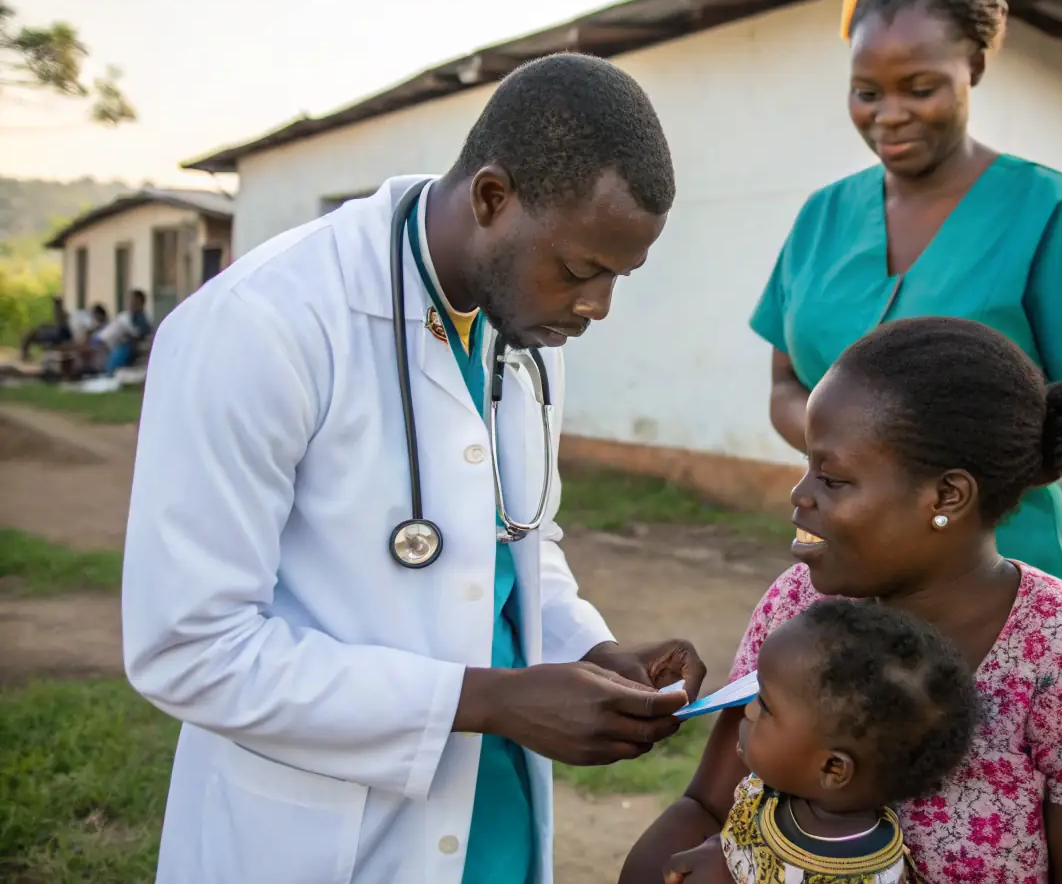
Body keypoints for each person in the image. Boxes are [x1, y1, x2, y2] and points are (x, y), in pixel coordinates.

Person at [122, 53, 707, 884]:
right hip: (320, 839)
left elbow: (517, 539)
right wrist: (490, 700)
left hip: (487, 818)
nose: (597, 306)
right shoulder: (261, 326)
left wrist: (589, 647)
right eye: (581, 270)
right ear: (492, 198)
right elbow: (189, 648)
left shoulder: (524, 331)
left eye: (618, 276)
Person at [621, 317, 1062, 884]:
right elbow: (707, 807)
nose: (800, 495)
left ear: (947, 495)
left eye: (833, 479)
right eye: (807, 467)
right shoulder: (799, 605)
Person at [751, 0, 1062, 590]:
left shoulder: (1045, 209)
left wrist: (948, 478)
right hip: (837, 557)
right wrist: (856, 468)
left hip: (996, 576)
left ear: (973, 66)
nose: (889, 116)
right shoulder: (821, 217)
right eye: (867, 92)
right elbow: (782, 385)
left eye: (919, 87)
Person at [664, 599, 979, 884]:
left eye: (765, 705)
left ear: (832, 768)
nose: (747, 709)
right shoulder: (781, 791)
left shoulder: (863, 877)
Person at [92, 289, 152, 374]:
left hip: (119, 347)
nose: (131, 303)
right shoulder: (125, 317)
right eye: (130, 300)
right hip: (103, 342)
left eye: (134, 301)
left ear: (141, 303)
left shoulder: (141, 319)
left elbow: (142, 334)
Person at [19, 296, 71, 361]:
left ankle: (24, 353)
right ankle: (24, 353)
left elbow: (62, 329)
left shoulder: (65, 319)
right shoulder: (63, 317)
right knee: (31, 333)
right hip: (58, 333)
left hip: (60, 334)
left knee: (31, 334)